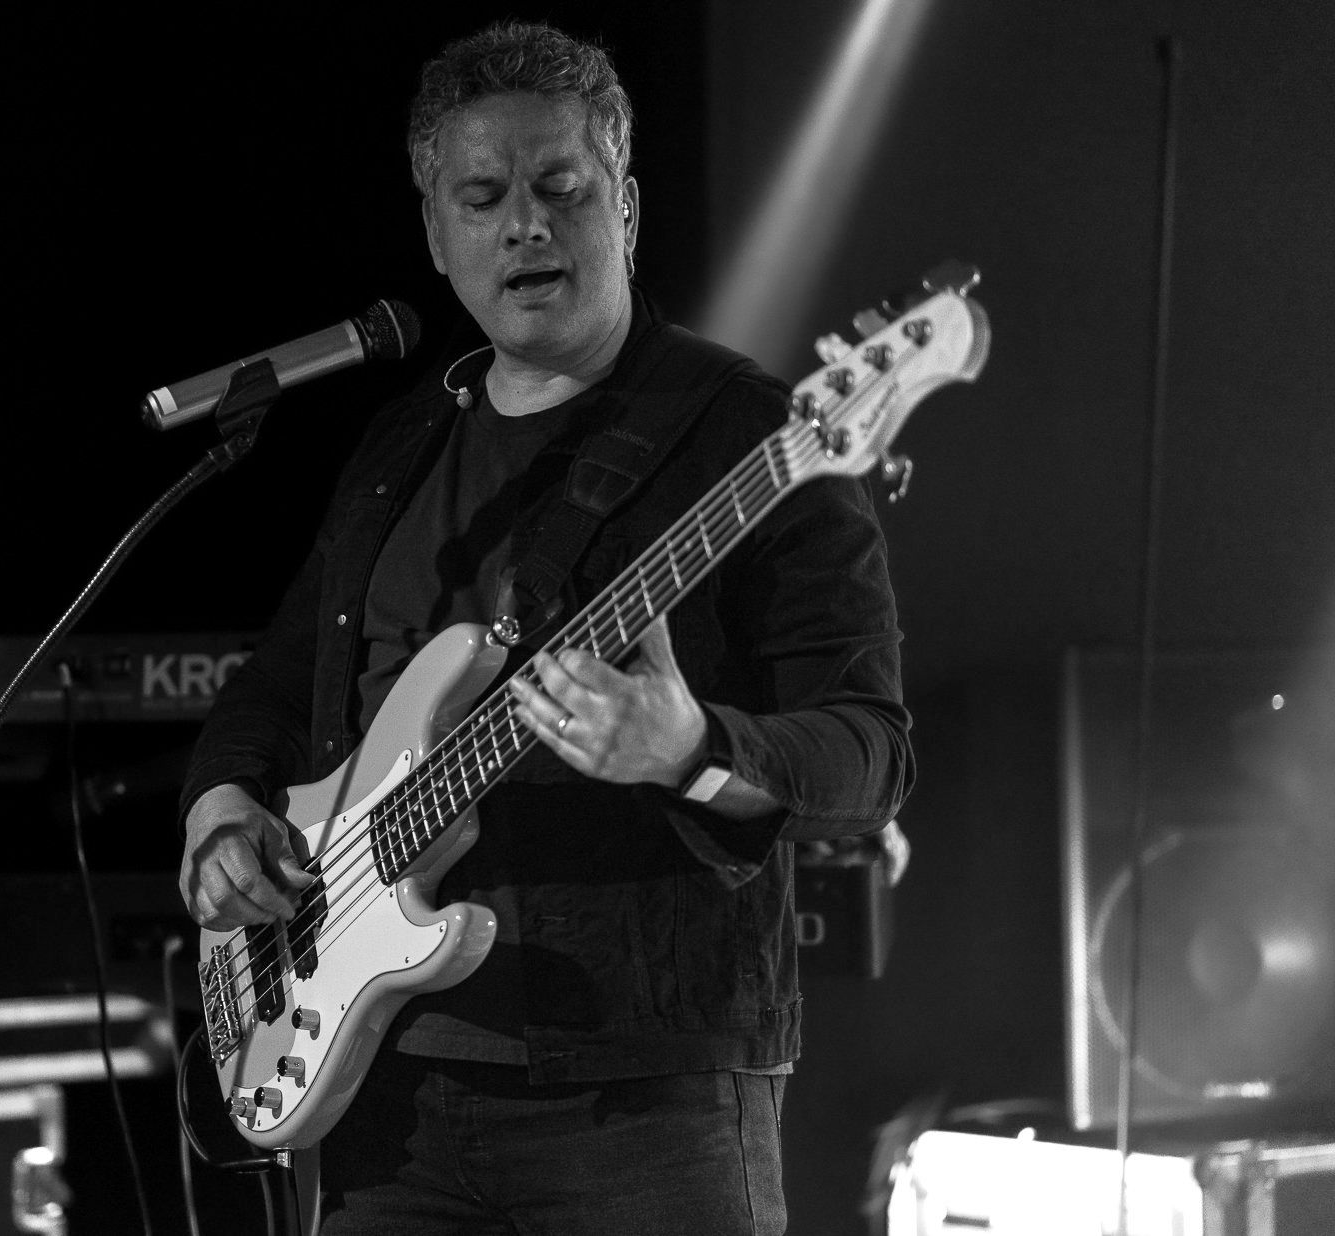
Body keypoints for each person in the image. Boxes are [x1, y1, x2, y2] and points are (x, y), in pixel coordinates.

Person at [178, 20, 912, 1235]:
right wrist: (219, 808)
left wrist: (693, 750)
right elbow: (275, 685)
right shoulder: (401, 447)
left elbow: (870, 755)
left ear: (625, 205)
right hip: (381, 1101)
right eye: (484, 197)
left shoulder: (752, 439)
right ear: (437, 236)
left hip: (645, 1105)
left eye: (560, 188)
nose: (525, 224)